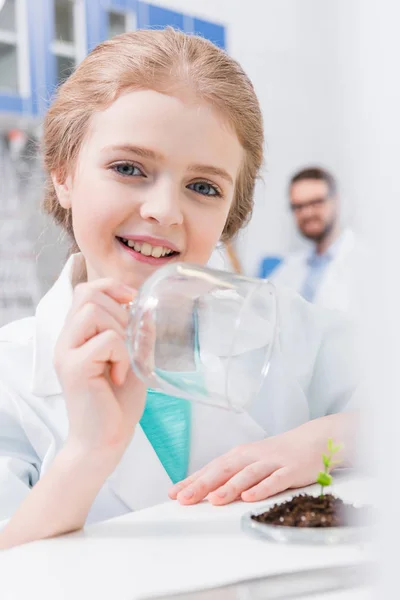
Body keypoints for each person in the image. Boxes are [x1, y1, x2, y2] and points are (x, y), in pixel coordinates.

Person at [0, 29, 360, 549]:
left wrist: (325, 440)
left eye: (204, 187)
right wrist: (87, 454)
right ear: (63, 174)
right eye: (128, 168)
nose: (165, 211)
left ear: (230, 211)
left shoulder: (291, 328)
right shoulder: (10, 373)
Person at [271, 167, 368, 313]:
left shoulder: (366, 264)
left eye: (316, 202)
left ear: (336, 200)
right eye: (298, 206)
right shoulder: (290, 267)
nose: (307, 213)